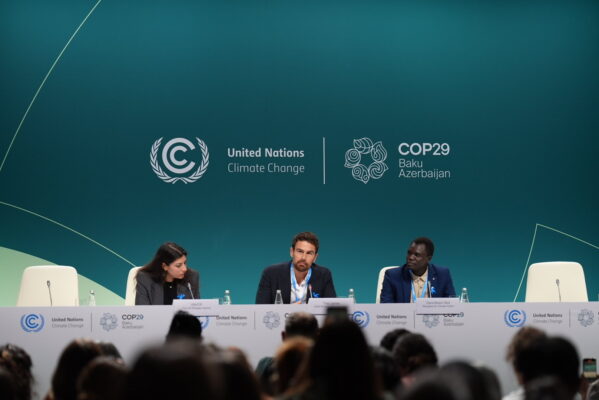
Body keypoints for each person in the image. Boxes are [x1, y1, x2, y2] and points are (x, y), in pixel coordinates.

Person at [256, 232, 336, 304]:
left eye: (309, 253)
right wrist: (290, 312)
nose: (303, 257)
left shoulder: (324, 275)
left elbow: (332, 310)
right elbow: (260, 309)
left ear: (315, 257)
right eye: (300, 251)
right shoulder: (271, 273)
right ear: (292, 252)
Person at [380, 237, 455, 303]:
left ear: (428, 258)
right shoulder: (393, 276)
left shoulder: (442, 274)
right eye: (409, 253)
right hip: (403, 318)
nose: (411, 257)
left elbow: (452, 304)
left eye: (417, 255)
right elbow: (386, 306)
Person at [135, 242, 200, 305]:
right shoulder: (145, 278)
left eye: (185, 263)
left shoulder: (192, 276)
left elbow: (197, 309)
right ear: (165, 266)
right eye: (178, 265)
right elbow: (142, 310)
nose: (184, 269)